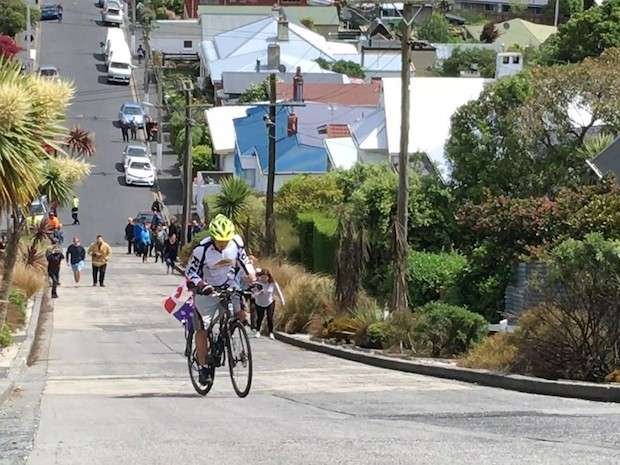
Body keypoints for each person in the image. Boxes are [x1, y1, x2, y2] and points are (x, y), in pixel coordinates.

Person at [185, 214, 256, 385]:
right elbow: (190, 272)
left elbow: (245, 262)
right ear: (213, 237)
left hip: (228, 286)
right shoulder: (201, 250)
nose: (223, 244)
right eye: (219, 241)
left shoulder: (236, 244)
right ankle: (202, 367)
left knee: (240, 316)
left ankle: (226, 335)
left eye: (226, 240)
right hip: (207, 291)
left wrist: (251, 275)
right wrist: (202, 285)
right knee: (202, 327)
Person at [252, 268, 285, 339]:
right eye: (262, 277)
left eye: (265, 277)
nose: (264, 278)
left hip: (270, 302)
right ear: (260, 276)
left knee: (270, 317)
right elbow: (253, 295)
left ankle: (271, 333)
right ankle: (258, 331)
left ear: (268, 276)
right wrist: (259, 292)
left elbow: (279, 292)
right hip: (259, 303)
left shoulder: (272, 283)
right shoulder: (257, 283)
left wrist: (282, 300)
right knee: (260, 317)